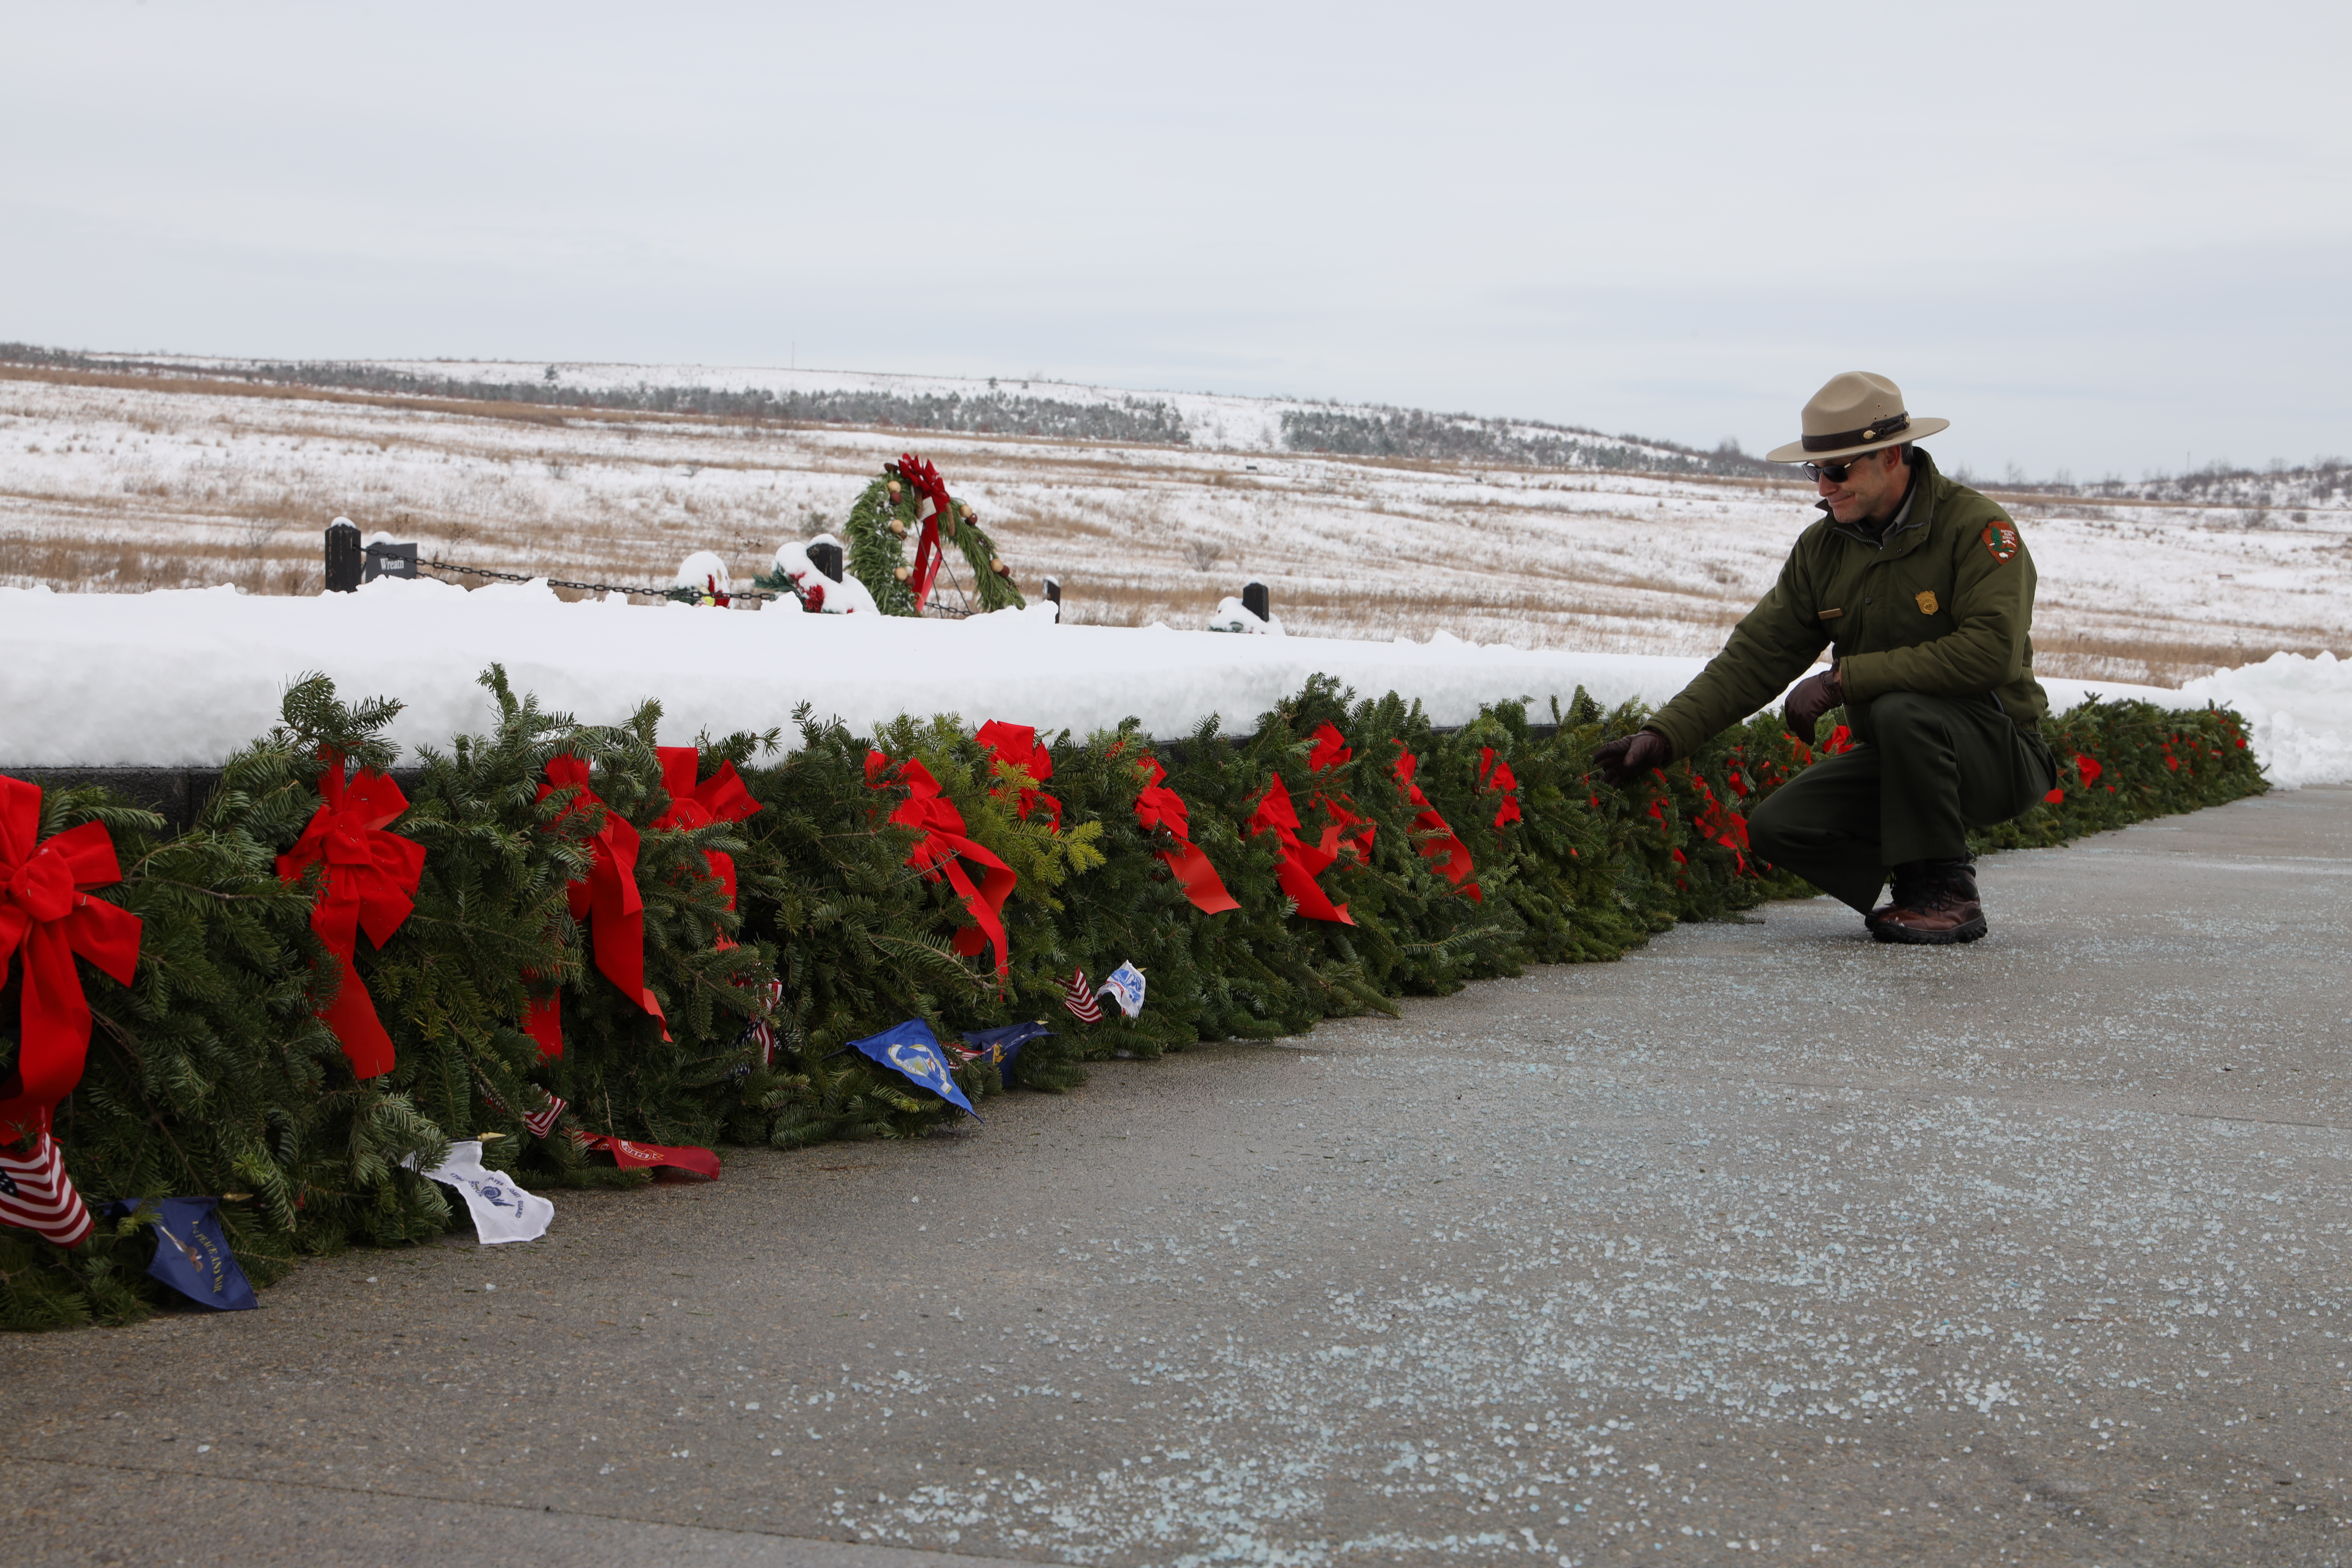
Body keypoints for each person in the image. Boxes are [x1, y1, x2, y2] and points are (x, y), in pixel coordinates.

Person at [1593, 371, 2055, 943]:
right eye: (1814, 470)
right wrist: (1664, 736)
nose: (1823, 486)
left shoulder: (1977, 529)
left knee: (1897, 710)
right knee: (1779, 827)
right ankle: (1917, 881)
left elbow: (1991, 654)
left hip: (2000, 754)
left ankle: (1948, 892)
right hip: (1904, 757)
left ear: (1891, 455)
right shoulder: (1823, 549)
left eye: (1838, 470)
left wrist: (1844, 681)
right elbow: (1757, 655)